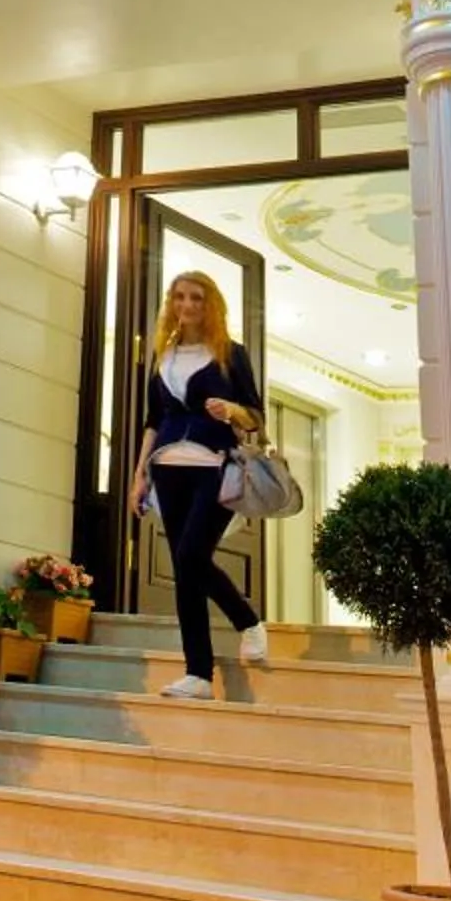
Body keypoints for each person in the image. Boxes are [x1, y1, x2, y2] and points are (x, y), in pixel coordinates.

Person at [129, 269, 270, 698]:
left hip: (216, 467)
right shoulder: (163, 355)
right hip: (167, 468)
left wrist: (231, 409)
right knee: (185, 569)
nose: (186, 305)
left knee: (191, 555)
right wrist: (139, 476)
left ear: (211, 305)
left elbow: (255, 417)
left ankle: (247, 620)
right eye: (179, 297)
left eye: (196, 298)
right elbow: (155, 421)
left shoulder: (231, 354)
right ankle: (199, 674)